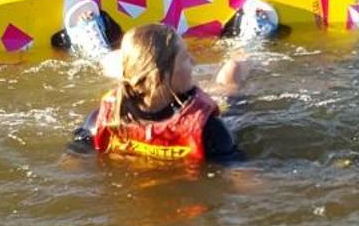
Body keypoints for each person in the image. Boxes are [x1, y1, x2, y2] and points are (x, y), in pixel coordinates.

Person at [70, 22, 249, 164]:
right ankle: (95, 43)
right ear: (159, 76)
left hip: (193, 105)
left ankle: (248, 40)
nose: (194, 62)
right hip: (153, 81)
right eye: (186, 57)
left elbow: (236, 171)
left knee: (230, 80)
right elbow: (74, 156)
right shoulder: (104, 119)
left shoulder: (211, 129)